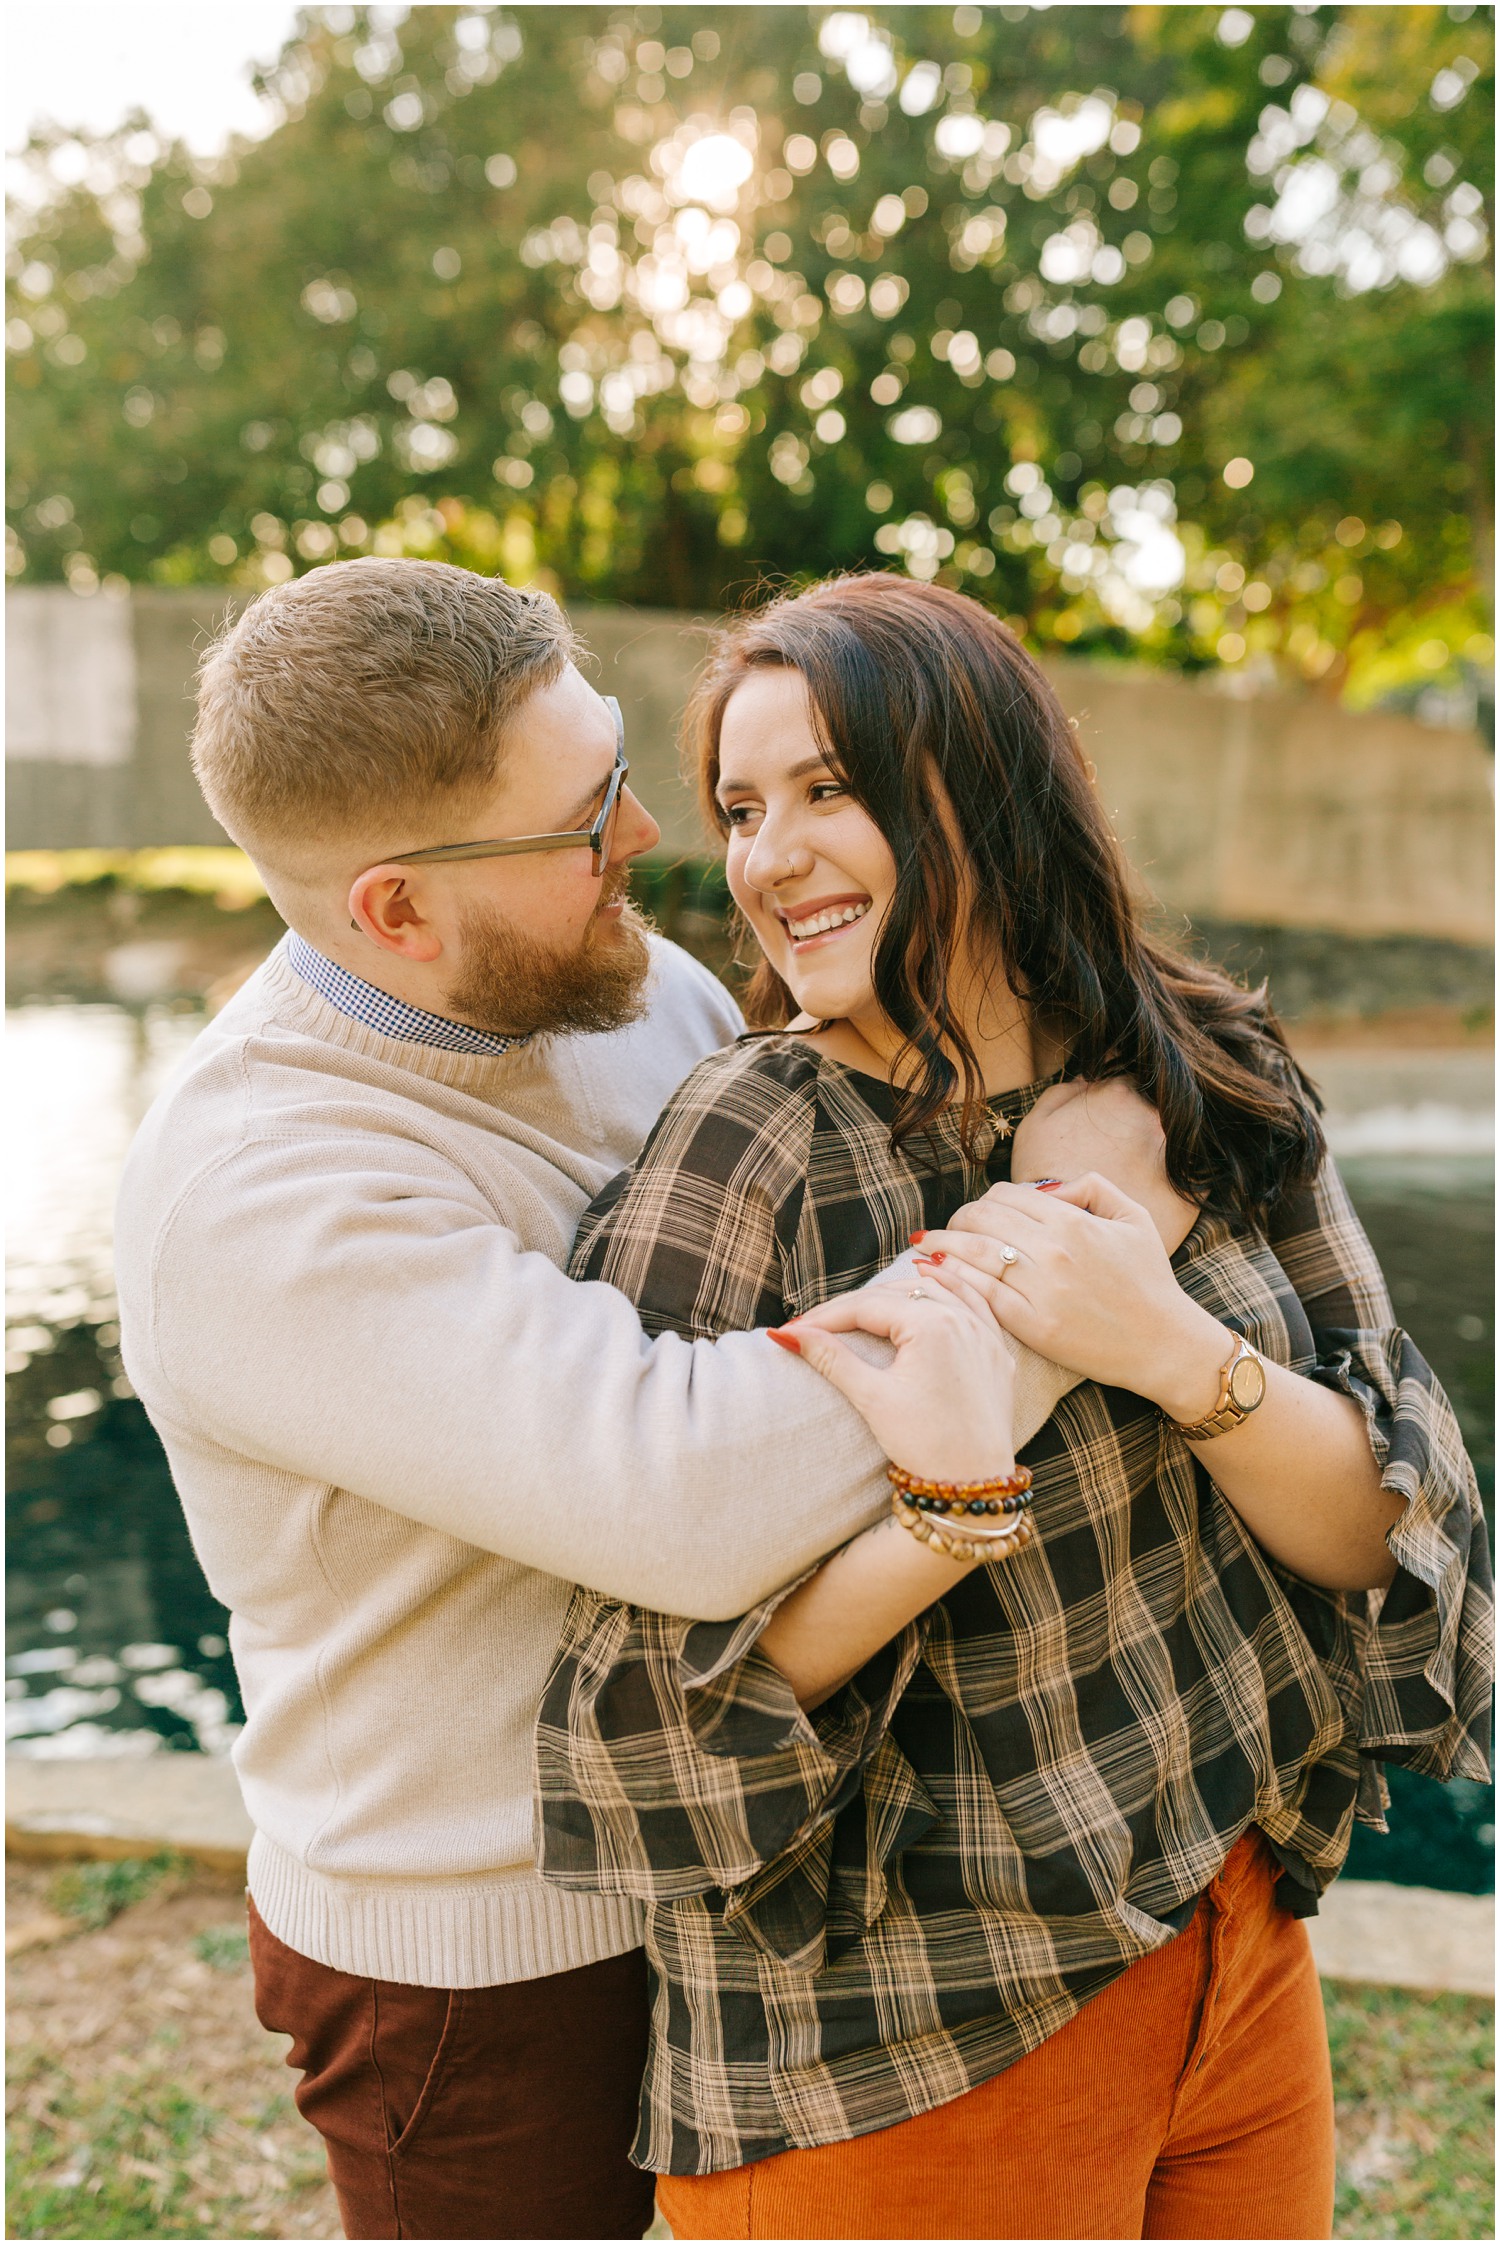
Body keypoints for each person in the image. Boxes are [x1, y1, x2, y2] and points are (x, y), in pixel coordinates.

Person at [115, 558, 1176, 2242]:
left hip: (744, 1858)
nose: (650, 839)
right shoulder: (258, 1200)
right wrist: (1102, 1260)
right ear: (394, 909)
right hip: (486, 1965)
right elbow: (692, 1495)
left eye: (611, 762)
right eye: (583, 813)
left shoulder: (623, 980)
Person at [536, 574, 1493, 2242]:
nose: (766, 858)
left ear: (980, 785)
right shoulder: (746, 1150)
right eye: (743, 809)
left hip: (1229, 1947)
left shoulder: (1204, 1062)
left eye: (830, 789)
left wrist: (1167, 1345)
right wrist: (944, 1514)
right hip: (898, 2039)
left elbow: (1383, 1532)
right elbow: (640, 1716)